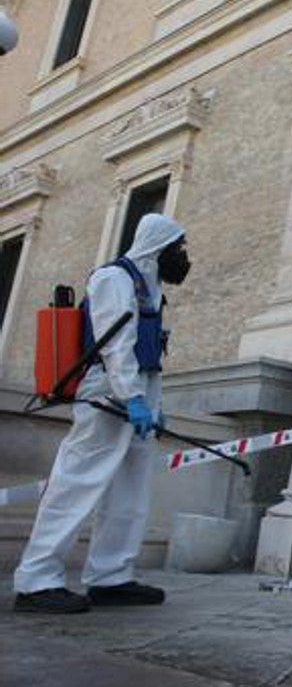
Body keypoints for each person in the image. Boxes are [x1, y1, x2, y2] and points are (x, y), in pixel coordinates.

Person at [13, 214, 192, 613]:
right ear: (157, 246)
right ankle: (37, 580)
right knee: (76, 482)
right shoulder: (114, 279)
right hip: (106, 393)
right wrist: (132, 398)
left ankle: (111, 576)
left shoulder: (151, 286)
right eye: (177, 248)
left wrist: (151, 404)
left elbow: (147, 354)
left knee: (129, 490)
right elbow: (116, 346)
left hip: (137, 392)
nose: (182, 256)